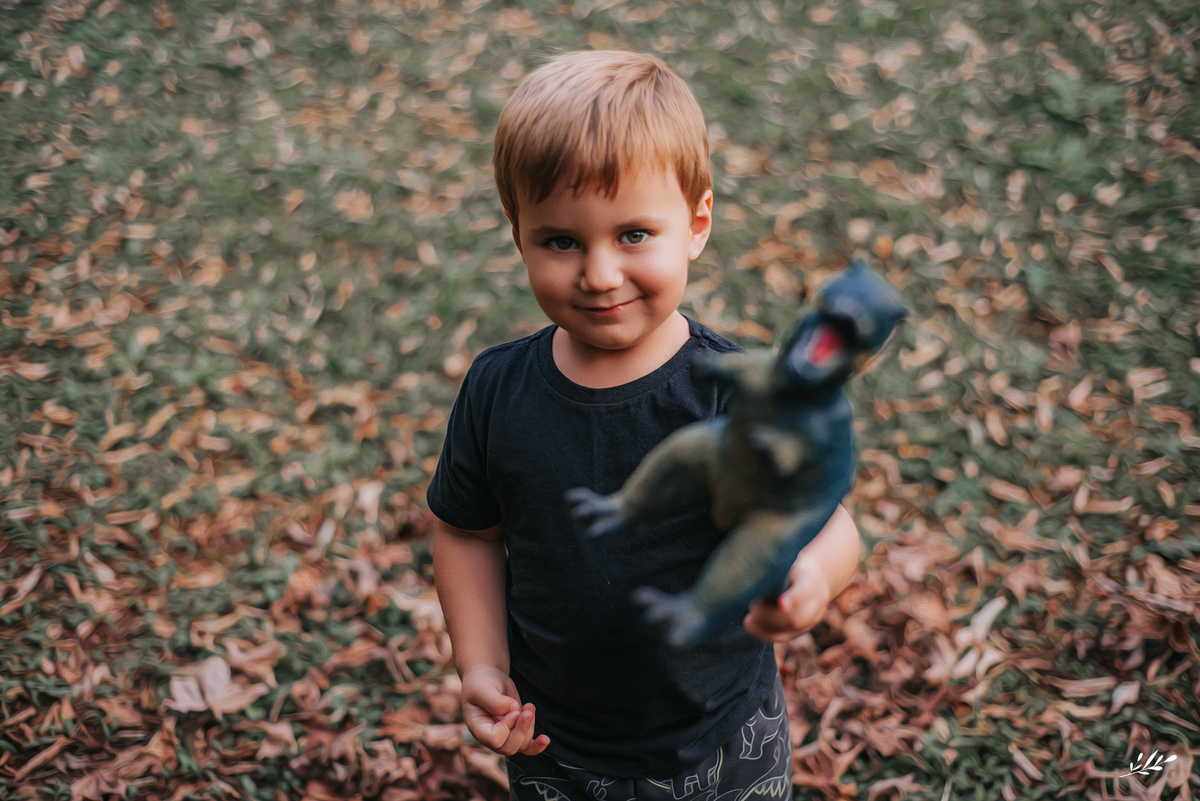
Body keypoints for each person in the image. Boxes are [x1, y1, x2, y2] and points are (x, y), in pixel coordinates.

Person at [427, 49, 862, 800]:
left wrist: (810, 578)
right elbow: (466, 528)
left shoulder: (732, 393)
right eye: (561, 240)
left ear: (695, 224)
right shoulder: (498, 392)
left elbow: (829, 519)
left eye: (633, 235)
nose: (598, 273)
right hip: (554, 740)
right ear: (518, 234)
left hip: (724, 735)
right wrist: (480, 662)